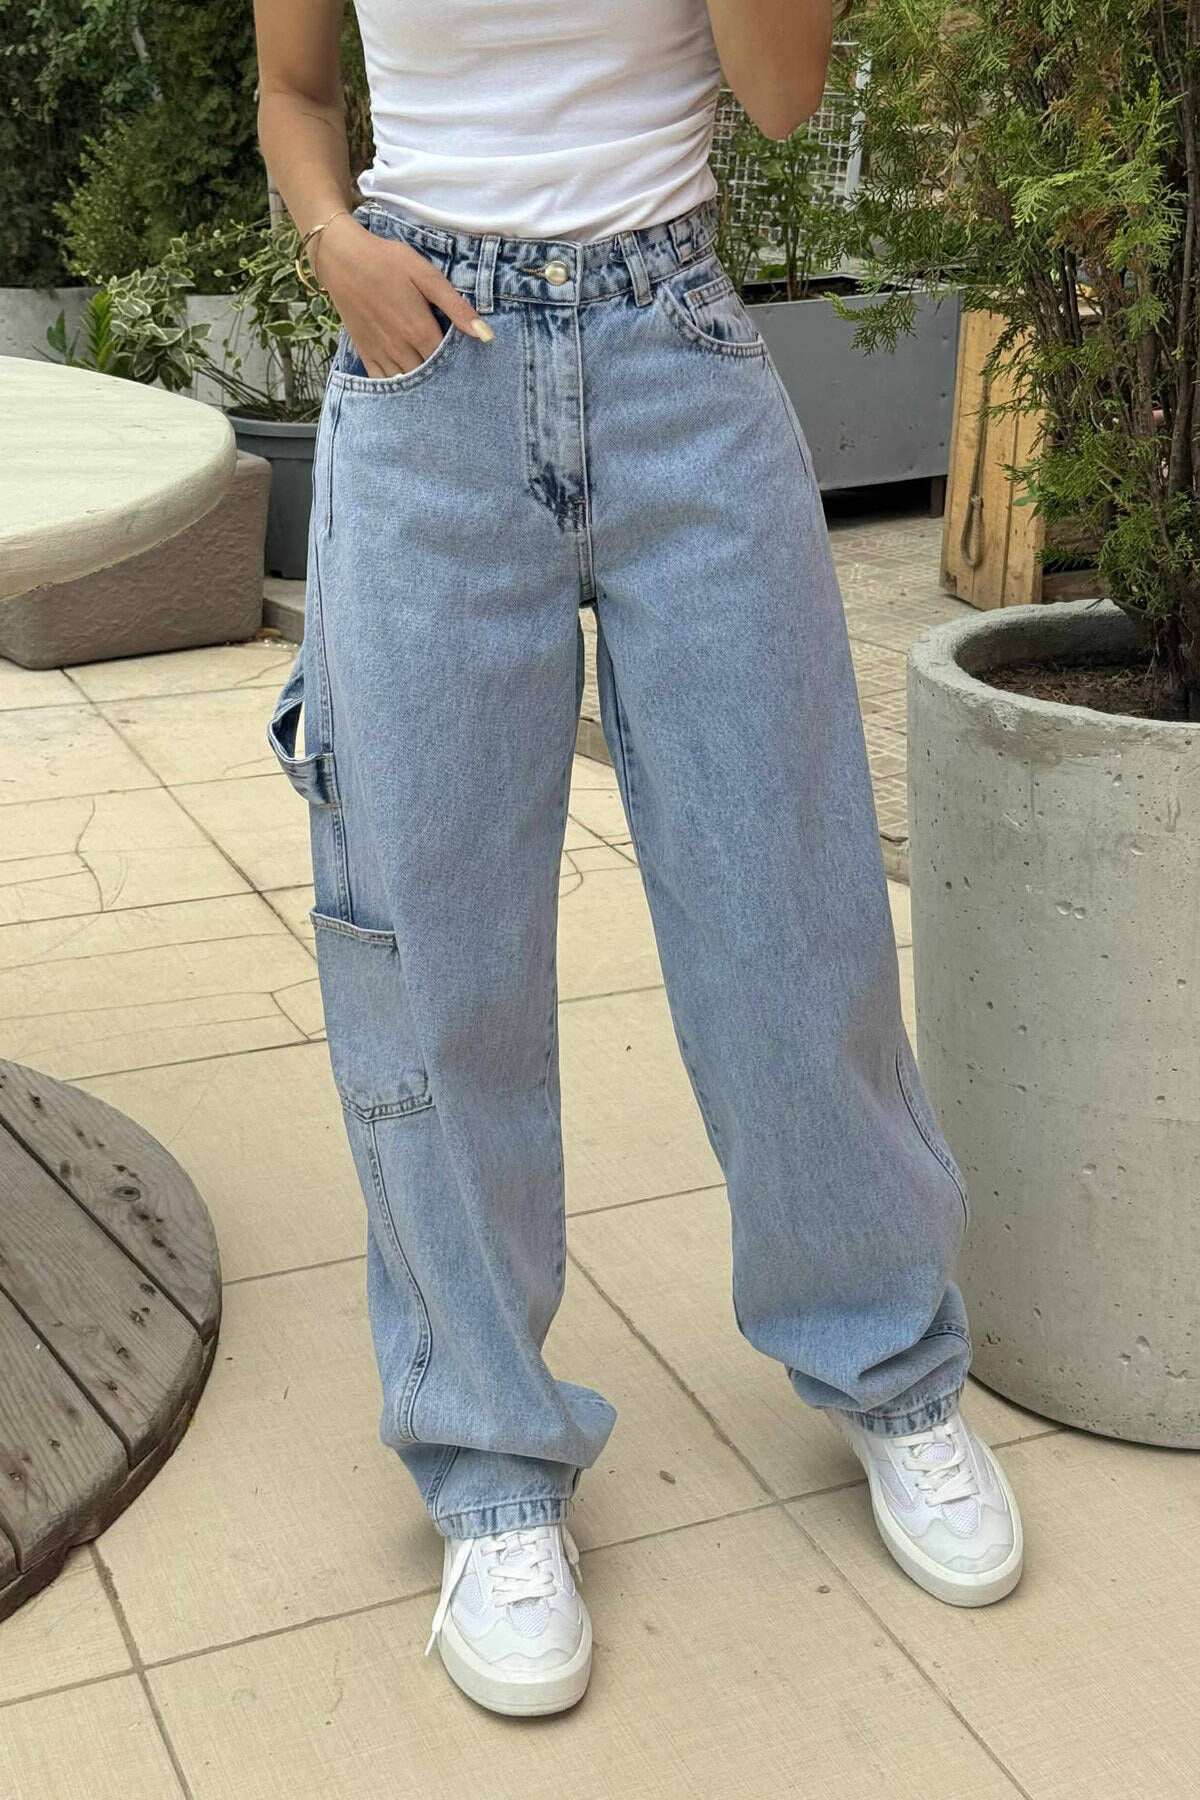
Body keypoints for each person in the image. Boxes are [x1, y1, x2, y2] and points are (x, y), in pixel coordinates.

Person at [257, 0, 1024, 1718]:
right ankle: (490, 1463)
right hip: (425, 370)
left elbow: (783, 95)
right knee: (434, 950)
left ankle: (892, 1369)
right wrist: (330, 245)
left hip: (676, 343)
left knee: (790, 915)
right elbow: (294, 89)